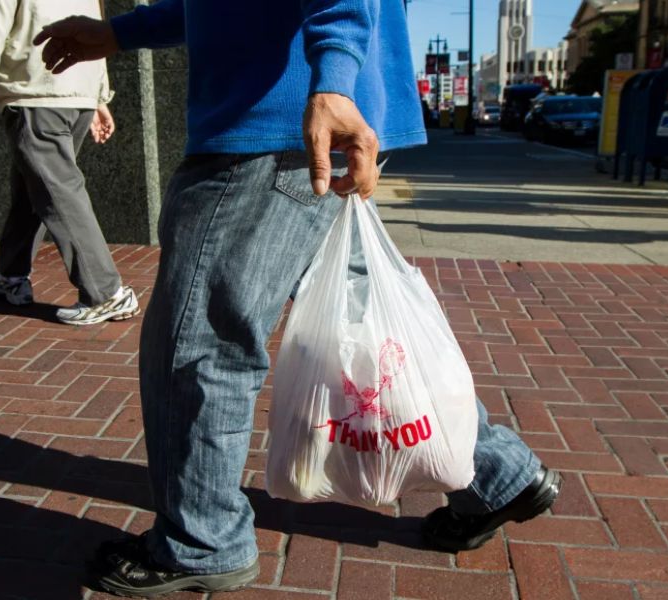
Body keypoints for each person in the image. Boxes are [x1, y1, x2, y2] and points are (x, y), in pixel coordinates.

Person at [33, 1, 560, 596]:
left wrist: (332, 74)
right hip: (307, 115)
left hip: (277, 122)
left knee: (201, 346)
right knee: (365, 341)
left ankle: (201, 542)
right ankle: (496, 473)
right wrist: (119, 33)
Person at [0, 0, 139, 326]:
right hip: (77, 93)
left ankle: (106, 293)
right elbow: (92, 23)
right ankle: (11, 274)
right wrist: (98, 95)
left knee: (58, 192)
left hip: (35, 92)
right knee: (32, 190)